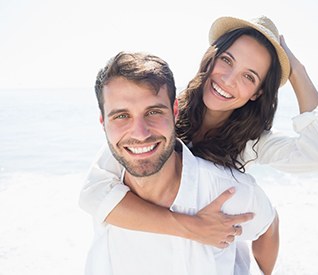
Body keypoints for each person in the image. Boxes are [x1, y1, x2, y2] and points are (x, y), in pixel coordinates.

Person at [80, 14, 318, 257]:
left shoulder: (253, 142)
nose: (228, 80)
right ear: (212, 56)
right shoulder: (161, 114)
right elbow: (93, 193)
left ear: (257, 93)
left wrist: (297, 70)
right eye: (227, 60)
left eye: (249, 77)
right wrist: (190, 227)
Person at [85, 51, 278, 275]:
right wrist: (193, 227)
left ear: (175, 111)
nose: (140, 133)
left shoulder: (227, 190)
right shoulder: (105, 189)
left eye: (154, 112)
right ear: (103, 122)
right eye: (121, 116)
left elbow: (269, 226)